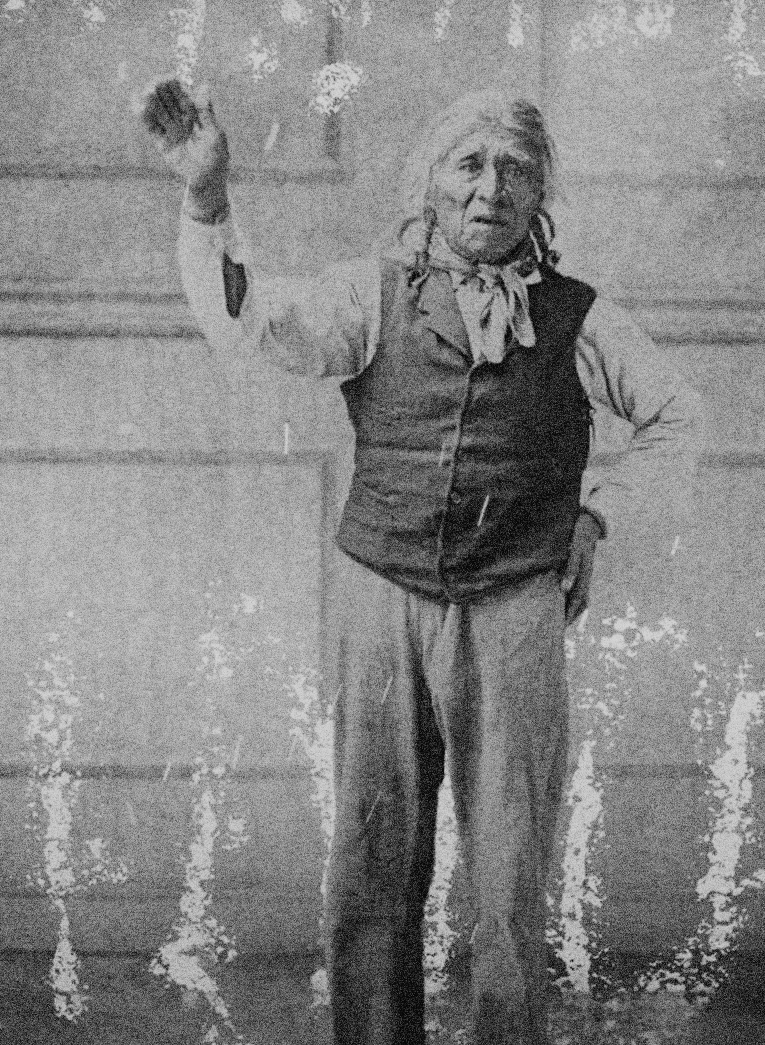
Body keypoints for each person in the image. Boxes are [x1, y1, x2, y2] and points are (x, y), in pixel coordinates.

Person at [141, 81, 702, 1045]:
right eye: (469, 165)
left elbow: (677, 418)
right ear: (430, 185)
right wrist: (205, 196)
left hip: (515, 606)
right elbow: (249, 319)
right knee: (373, 858)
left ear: (540, 195)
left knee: (511, 869)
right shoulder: (370, 294)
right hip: (380, 597)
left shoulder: (579, 318)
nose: (491, 189)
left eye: (515, 170)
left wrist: (595, 518)